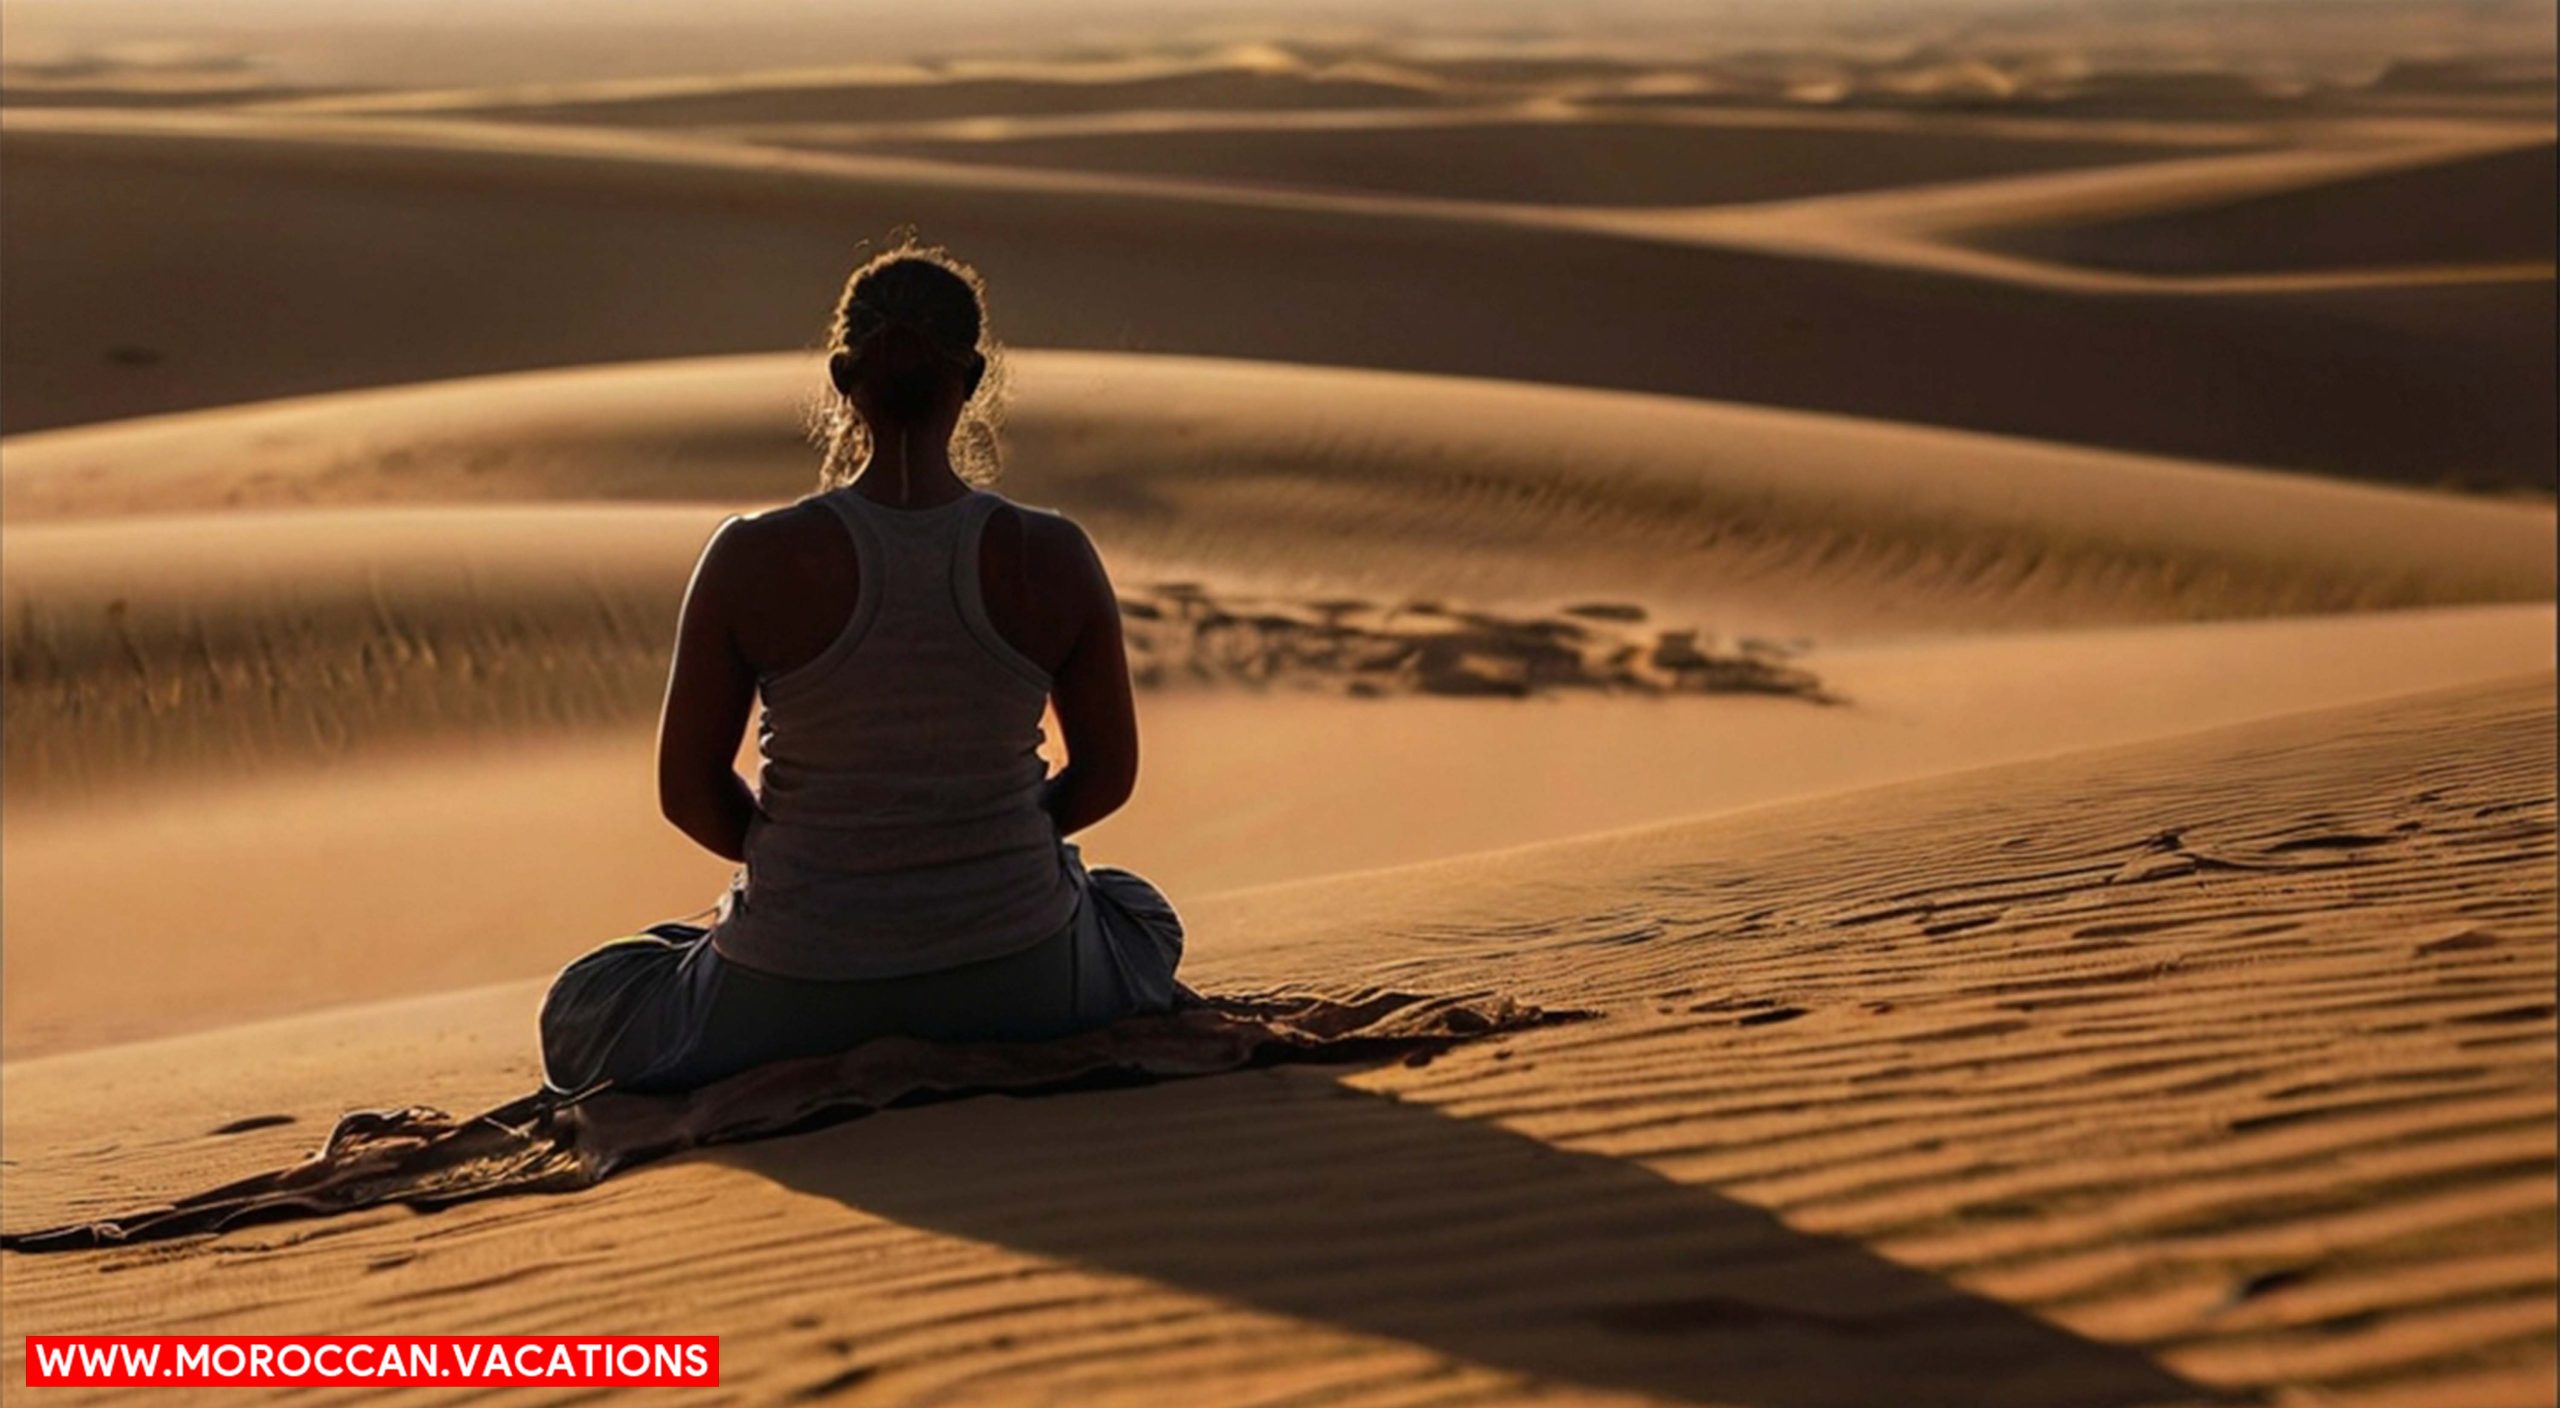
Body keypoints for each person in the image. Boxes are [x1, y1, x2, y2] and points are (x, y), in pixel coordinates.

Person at [538, 241, 1184, 1096]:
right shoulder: (1054, 553)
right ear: (976, 376)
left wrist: (819, 861)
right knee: (1138, 913)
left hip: (794, 985)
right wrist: (983, 842)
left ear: (843, 377)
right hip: (1026, 977)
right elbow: (1107, 778)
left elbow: (687, 790)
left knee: (591, 999)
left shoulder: (749, 556)